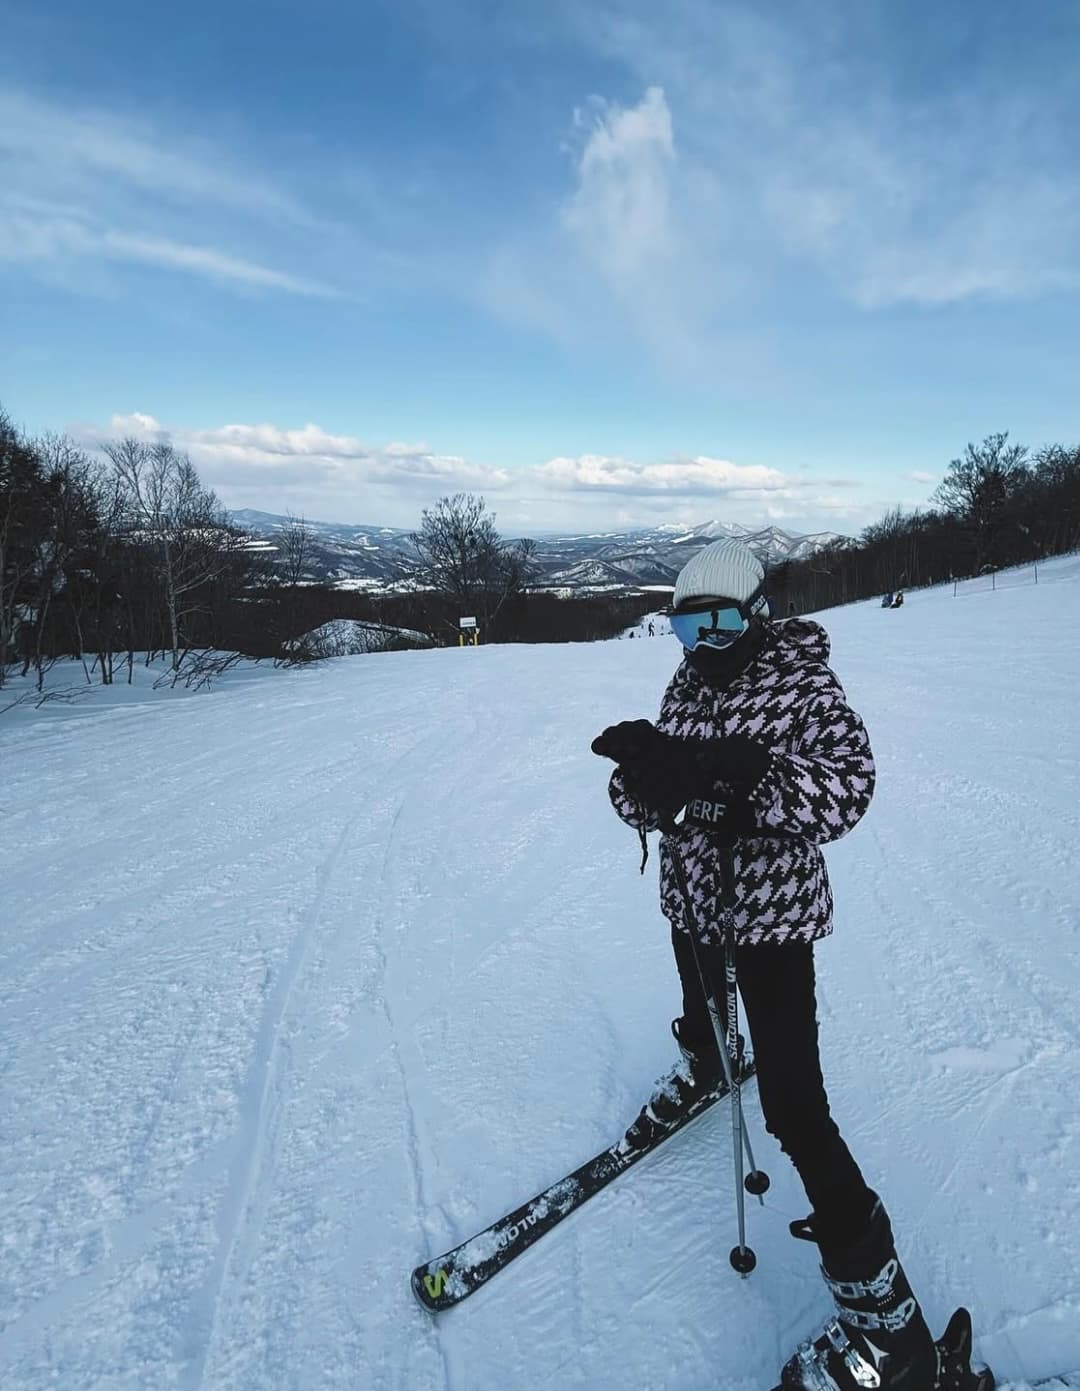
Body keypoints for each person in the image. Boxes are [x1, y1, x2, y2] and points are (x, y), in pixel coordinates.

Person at [591, 537, 937, 1391]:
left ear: (756, 613)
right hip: (696, 904)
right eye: (685, 628)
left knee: (793, 1104)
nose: (702, 645)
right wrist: (645, 778)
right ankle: (710, 1059)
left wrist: (757, 778)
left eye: (718, 623)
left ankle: (893, 1332)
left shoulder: (803, 681)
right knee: (699, 999)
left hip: (772, 918)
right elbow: (643, 798)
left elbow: (848, 789)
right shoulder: (685, 683)